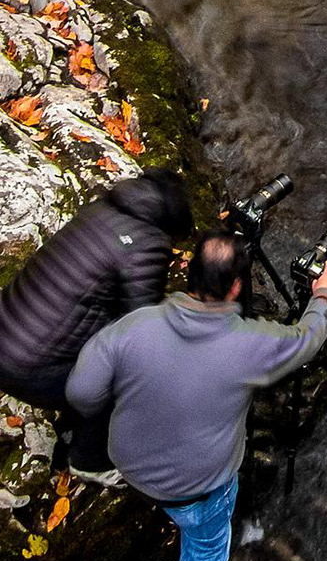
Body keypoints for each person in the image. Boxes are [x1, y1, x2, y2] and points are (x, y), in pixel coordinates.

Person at [66, 229, 327, 561]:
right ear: (236, 288)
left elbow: (82, 392)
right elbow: (306, 339)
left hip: (130, 465)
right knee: (207, 543)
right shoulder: (251, 343)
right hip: (198, 487)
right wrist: (323, 294)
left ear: (190, 274)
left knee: (174, 500)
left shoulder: (134, 326)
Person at [0, 169, 194, 472]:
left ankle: (71, 422)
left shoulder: (99, 208)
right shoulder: (148, 242)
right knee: (122, 378)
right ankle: (89, 462)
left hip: (8, 331)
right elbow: (141, 329)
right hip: (27, 368)